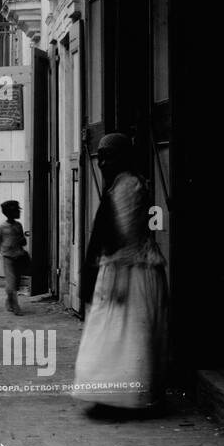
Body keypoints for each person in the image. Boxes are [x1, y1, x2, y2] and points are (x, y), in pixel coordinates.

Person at [72, 133, 170, 416]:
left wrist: (103, 270)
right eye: (100, 156)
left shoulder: (128, 186)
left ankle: (123, 396)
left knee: (125, 334)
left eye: (108, 156)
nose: (102, 162)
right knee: (113, 334)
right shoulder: (120, 184)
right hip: (120, 268)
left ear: (123, 158)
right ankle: (113, 395)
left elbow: (122, 234)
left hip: (131, 272)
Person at [0, 199, 30, 316]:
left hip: (19, 256)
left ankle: (9, 300)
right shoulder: (2, 227)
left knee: (16, 282)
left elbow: (23, 242)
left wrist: (22, 239)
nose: (19, 212)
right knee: (11, 282)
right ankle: (16, 305)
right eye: (17, 211)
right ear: (10, 213)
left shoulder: (19, 225)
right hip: (8, 257)